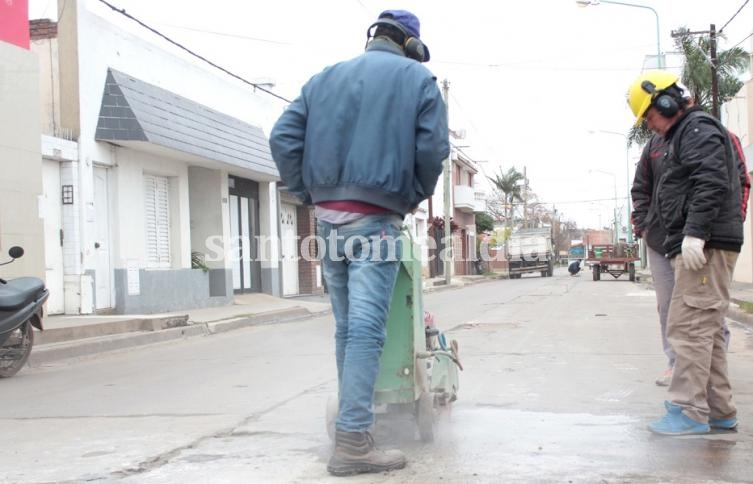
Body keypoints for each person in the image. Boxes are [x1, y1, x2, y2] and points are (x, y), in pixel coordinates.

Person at [269, 9, 448, 476]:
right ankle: (352, 441)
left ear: (374, 38)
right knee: (368, 331)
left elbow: (282, 136)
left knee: (348, 330)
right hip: (377, 221)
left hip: (327, 221)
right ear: (410, 44)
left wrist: (310, 192)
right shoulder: (418, 78)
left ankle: (355, 427)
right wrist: (410, 196)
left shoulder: (324, 78)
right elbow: (431, 150)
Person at [626, 70, 744, 435]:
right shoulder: (684, 133)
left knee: (689, 326)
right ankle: (719, 409)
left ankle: (688, 411)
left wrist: (694, 234)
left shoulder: (696, 130)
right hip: (697, 243)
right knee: (705, 328)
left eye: (649, 115)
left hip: (704, 246)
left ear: (665, 101)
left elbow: (711, 180)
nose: (649, 124)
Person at [632, 125, 749, 387]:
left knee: (705, 306)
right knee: (669, 308)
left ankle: (711, 371)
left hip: (704, 239)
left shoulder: (718, 136)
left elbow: (740, 181)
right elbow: (641, 187)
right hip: (662, 239)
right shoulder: (655, 144)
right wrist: (643, 224)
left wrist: (734, 218)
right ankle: (677, 364)